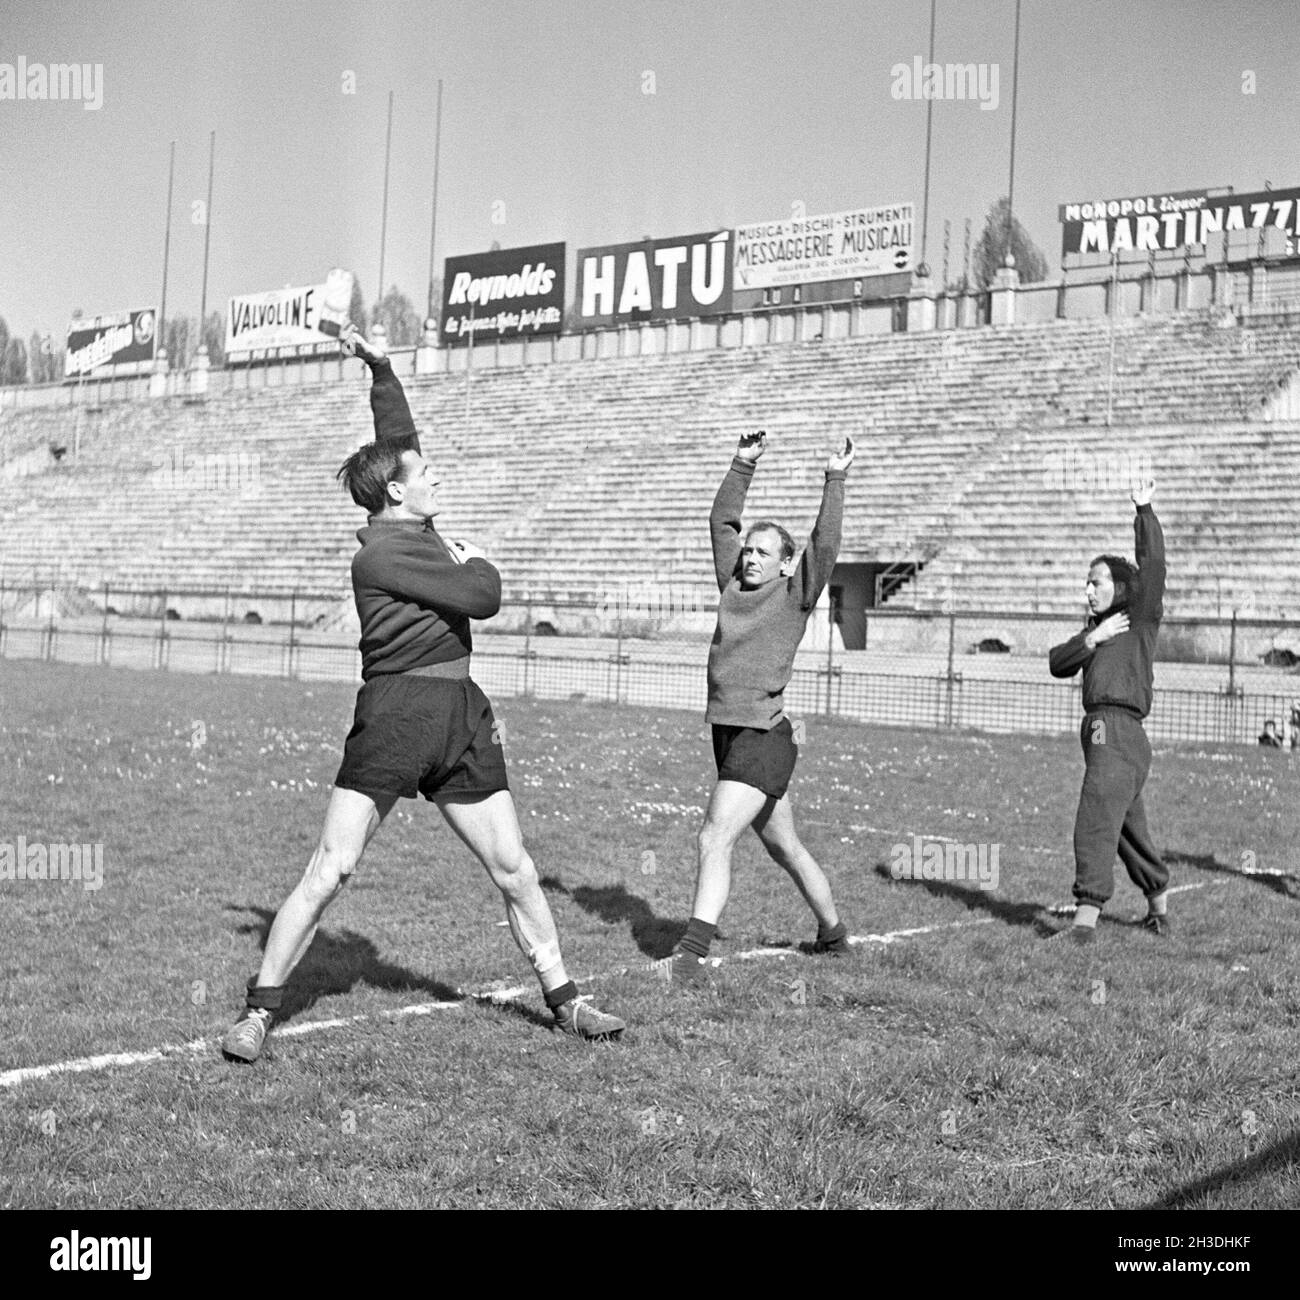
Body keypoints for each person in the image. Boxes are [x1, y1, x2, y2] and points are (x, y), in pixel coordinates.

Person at [221, 328, 625, 1060]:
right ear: (396, 493)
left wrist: (379, 367)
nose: (438, 476)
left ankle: (566, 1001)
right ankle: (259, 1012)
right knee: (332, 869)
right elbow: (485, 595)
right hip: (396, 716)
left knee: (516, 868)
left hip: (461, 715)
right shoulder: (382, 553)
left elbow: (396, 436)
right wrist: (478, 561)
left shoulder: (416, 521)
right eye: (426, 472)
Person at [669, 429, 855, 984]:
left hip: (763, 736)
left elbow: (826, 542)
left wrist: (835, 476)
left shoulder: (795, 594)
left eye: (762, 552)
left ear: (786, 562)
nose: (749, 557)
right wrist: (742, 465)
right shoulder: (732, 587)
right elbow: (720, 522)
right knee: (787, 848)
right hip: (727, 733)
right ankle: (835, 935)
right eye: (747, 549)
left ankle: (691, 956)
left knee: (713, 835)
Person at [1047, 478, 1170, 944]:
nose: (1087, 590)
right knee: (1128, 831)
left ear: (1119, 587)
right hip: (1112, 737)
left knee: (1095, 818)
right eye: (1085, 582)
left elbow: (1153, 564)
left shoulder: (1138, 619)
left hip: (1115, 732)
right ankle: (1159, 908)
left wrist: (1144, 509)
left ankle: (1083, 926)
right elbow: (1057, 663)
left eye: (1094, 582)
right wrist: (1091, 639)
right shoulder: (1096, 631)